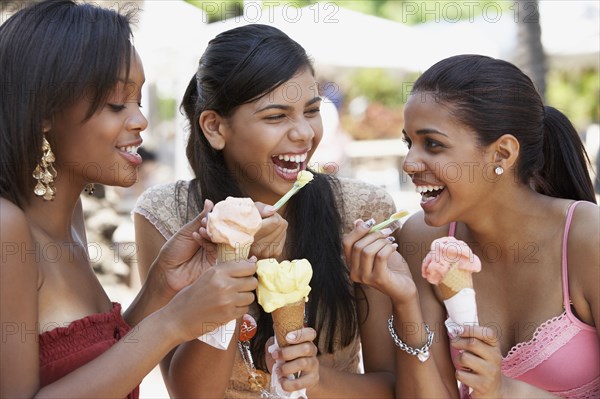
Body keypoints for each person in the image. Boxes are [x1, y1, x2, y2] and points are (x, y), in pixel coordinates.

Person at [0, 2, 258, 397]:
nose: (140, 120)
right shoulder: (7, 227)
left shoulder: (71, 218)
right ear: (44, 112)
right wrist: (171, 323)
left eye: (139, 101)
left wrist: (160, 288)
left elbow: (97, 366)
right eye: (117, 103)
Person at [134, 24, 397, 398]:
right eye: (276, 117)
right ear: (214, 127)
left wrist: (316, 379)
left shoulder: (360, 211)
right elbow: (190, 394)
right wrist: (235, 258)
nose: (304, 133)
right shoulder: (167, 215)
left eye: (311, 111)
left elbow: (391, 387)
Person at [344, 54, 599, 398]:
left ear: (503, 154)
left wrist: (505, 390)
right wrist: (403, 300)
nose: (409, 162)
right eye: (409, 142)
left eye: (432, 144)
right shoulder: (424, 238)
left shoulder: (587, 237)